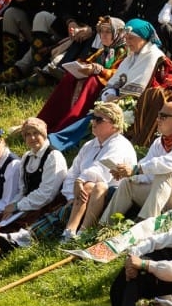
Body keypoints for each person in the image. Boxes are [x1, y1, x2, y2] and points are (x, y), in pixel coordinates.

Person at [104, 100, 172, 221]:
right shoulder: (159, 142)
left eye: (163, 117)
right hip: (167, 194)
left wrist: (136, 170)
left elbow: (171, 164)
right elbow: (147, 171)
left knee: (165, 174)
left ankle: (144, 225)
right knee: (128, 184)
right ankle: (101, 226)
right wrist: (128, 173)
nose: (158, 120)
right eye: (158, 115)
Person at [58, 101, 137, 241]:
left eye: (99, 119)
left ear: (114, 125)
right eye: (93, 118)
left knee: (92, 184)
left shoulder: (120, 145)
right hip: (85, 195)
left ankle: (74, 232)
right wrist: (71, 195)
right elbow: (73, 172)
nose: (93, 122)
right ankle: (70, 233)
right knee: (87, 186)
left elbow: (101, 171)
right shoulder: (90, 145)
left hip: (115, 193)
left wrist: (80, 181)